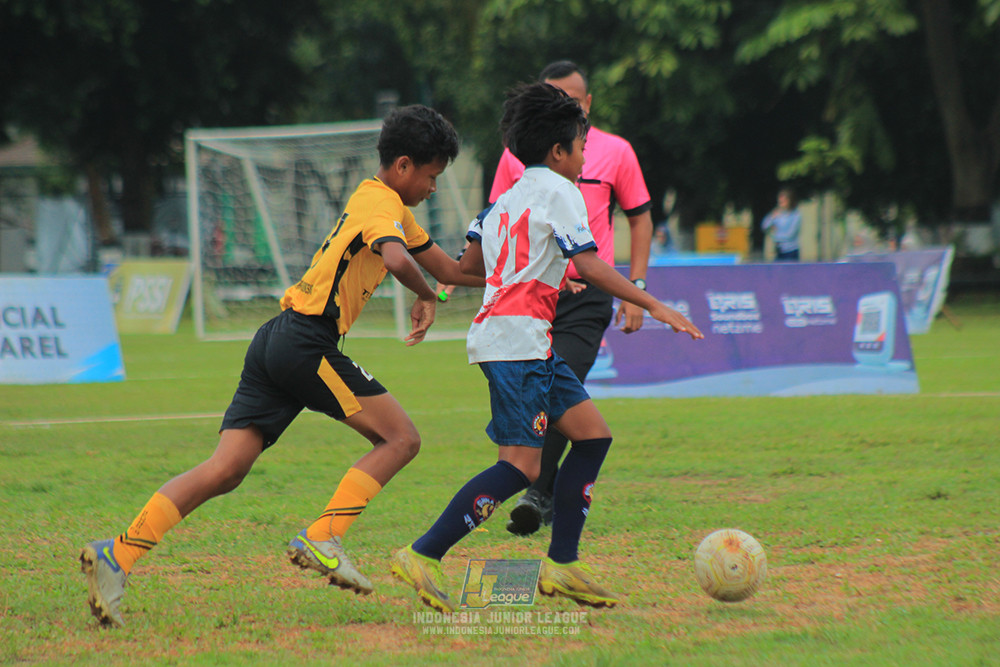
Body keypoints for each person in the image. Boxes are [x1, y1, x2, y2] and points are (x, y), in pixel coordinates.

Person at [79, 105, 485, 627]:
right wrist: (426, 296)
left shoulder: (386, 206)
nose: (433, 188)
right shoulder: (381, 205)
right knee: (401, 439)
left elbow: (451, 268)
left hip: (275, 340)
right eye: (431, 176)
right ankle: (323, 536)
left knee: (225, 469)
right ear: (404, 166)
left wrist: (505, 278)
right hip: (307, 343)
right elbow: (399, 261)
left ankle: (116, 554)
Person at [390, 82, 703, 612]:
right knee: (521, 468)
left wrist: (539, 271)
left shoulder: (506, 199)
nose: (584, 157)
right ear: (558, 152)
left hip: (519, 340)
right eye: (580, 147)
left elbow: (470, 269)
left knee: (592, 437)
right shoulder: (562, 192)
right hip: (517, 344)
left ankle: (562, 566)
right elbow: (588, 261)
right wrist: (653, 304)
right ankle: (423, 554)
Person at [486, 60, 657, 537]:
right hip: (534, 296)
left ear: (588, 102)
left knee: (565, 390)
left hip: (587, 295)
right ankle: (526, 488)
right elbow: (500, 222)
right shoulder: (520, 155)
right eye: (552, 94)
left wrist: (637, 290)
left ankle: (537, 493)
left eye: (572, 97)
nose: (564, 103)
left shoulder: (616, 152)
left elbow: (640, 218)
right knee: (553, 403)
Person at [761, 188, 802, 261]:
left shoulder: (796, 215)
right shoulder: (778, 215)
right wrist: (772, 217)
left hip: (791, 251)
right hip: (779, 251)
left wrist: (776, 236)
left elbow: (790, 234)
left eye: (783, 201)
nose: (780, 204)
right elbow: (764, 226)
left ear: (789, 201)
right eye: (780, 202)